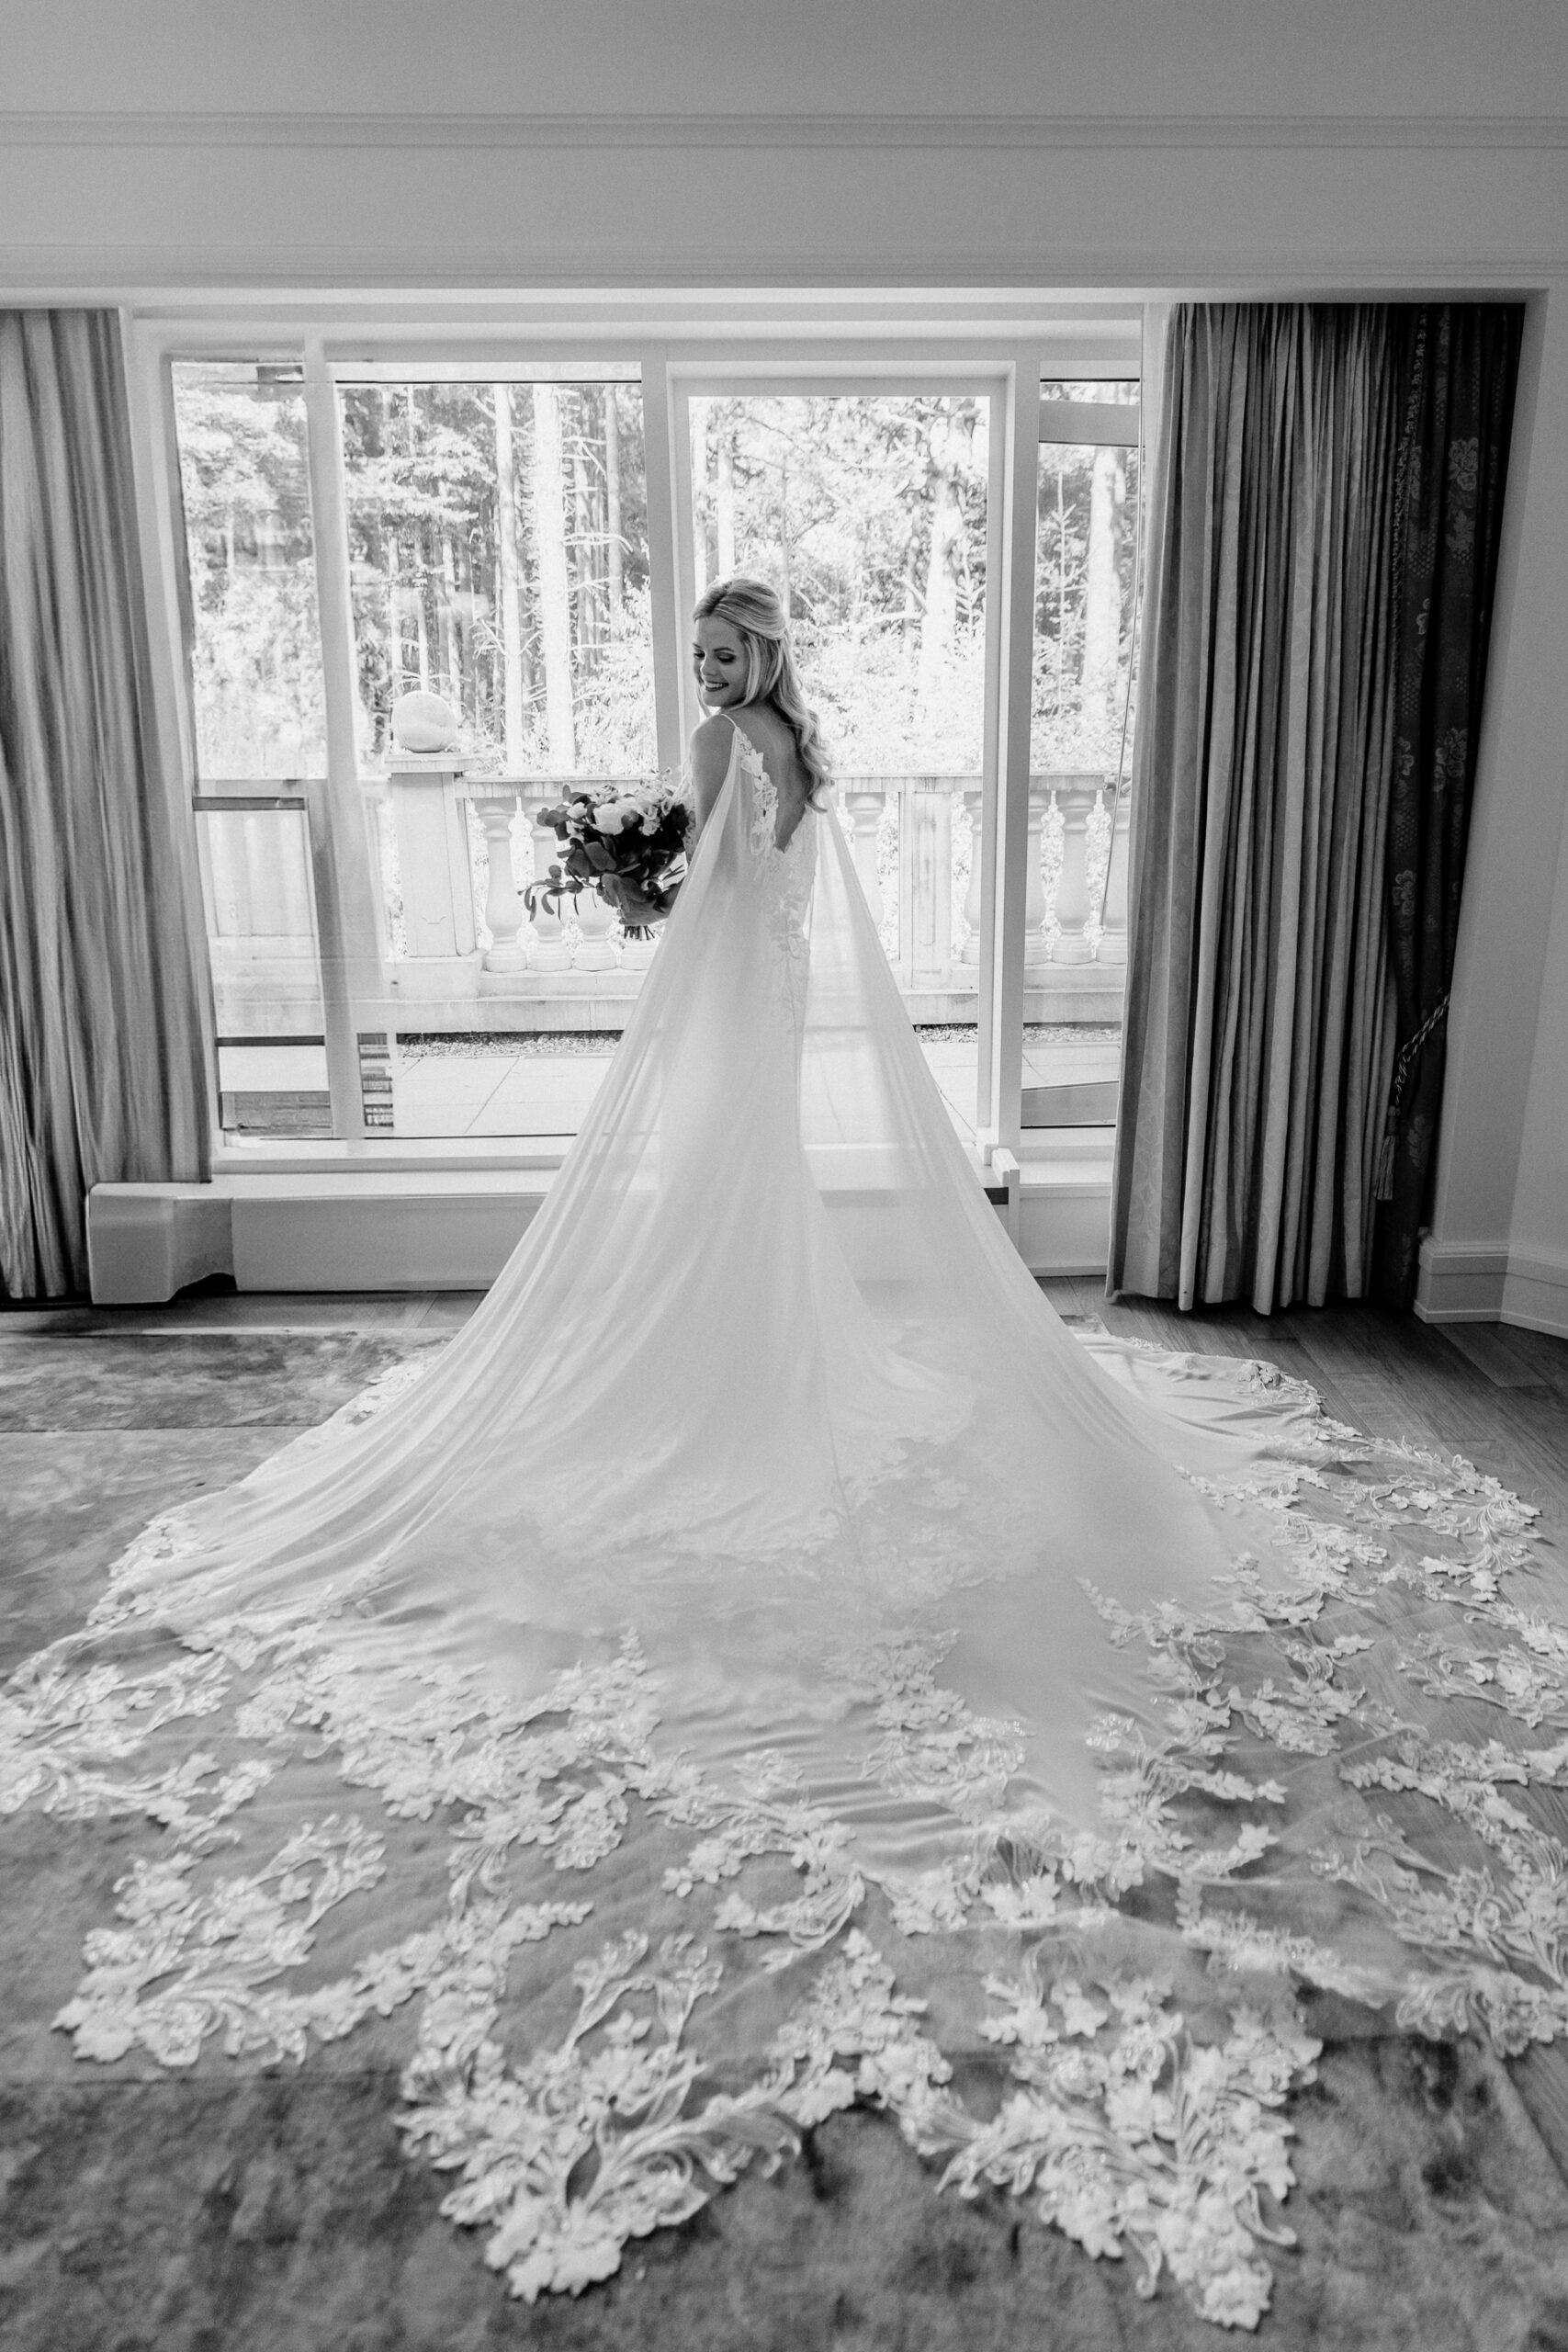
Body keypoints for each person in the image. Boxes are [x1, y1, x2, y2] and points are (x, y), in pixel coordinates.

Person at [16, 576, 1541, 2324]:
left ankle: (710, 1381)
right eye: (702, 654)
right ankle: (731, 1361)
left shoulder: (730, 741)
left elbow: (715, 897)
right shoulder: (799, 746)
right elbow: (780, 881)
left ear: (758, 658)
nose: (711, 672)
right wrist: (677, 878)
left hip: (725, 1005)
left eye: (726, 650)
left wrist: (645, 896)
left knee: (709, 1210)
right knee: (745, 1213)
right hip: (770, 997)